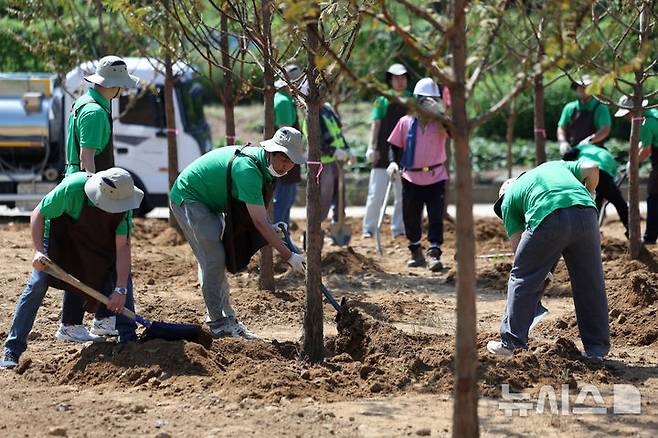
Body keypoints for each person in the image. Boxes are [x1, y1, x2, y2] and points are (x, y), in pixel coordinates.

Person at [169, 127, 307, 339]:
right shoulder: (248, 169)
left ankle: (227, 317)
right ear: (271, 152)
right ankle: (218, 323)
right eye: (285, 160)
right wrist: (289, 256)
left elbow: (259, 216)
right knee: (214, 260)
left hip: (211, 203)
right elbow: (260, 222)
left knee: (215, 259)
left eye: (292, 162)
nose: (287, 167)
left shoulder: (267, 169)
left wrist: (272, 229)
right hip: (190, 198)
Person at [0, 168, 143, 369]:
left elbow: (122, 247)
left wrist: (120, 289)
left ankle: (128, 340)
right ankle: (12, 349)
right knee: (38, 284)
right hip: (59, 240)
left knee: (120, 278)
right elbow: (38, 214)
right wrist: (39, 251)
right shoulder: (72, 189)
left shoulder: (123, 204)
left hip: (96, 243)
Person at [487, 160, 610, 360]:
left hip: (547, 214)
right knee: (590, 282)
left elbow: (522, 258)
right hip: (587, 214)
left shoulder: (508, 200)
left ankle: (512, 343)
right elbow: (593, 167)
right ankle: (596, 349)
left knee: (521, 277)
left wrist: (540, 274)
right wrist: (591, 193)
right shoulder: (555, 166)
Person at [387, 78, 449, 271]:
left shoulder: (441, 123)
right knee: (411, 216)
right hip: (411, 178)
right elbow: (394, 145)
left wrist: (441, 114)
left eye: (432, 100)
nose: (428, 103)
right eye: (424, 99)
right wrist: (393, 162)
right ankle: (415, 250)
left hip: (436, 176)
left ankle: (434, 252)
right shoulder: (405, 122)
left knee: (436, 216)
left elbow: (456, 132)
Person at [65, 55, 139, 176]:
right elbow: (86, 157)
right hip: (86, 188)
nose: (124, 89)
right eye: (122, 85)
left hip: (77, 179)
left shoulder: (83, 101)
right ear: (114, 85)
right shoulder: (95, 112)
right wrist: (93, 191)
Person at [362, 63, 409, 239]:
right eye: (396, 78)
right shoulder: (382, 100)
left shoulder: (411, 100)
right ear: (390, 80)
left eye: (403, 77)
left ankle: (399, 229)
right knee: (375, 194)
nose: (400, 81)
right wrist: (371, 146)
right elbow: (376, 124)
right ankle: (369, 228)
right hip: (382, 153)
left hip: (404, 155)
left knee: (402, 196)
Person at [615, 95, 658, 243]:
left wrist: (632, 163)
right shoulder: (654, 114)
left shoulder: (646, 123)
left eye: (627, 114)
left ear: (632, 111)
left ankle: (650, 238)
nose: (627, 118)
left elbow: (646, 151)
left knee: (654, 197)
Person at [569, 143, 629, 236]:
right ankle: (630, 230)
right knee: (620, 204)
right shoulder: (609, 156)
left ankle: (589, 231)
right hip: (604, 175)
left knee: (589, 204)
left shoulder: (584, 146)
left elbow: (568, 155)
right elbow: (611, 177)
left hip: (584, 173)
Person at [272, 64, 304, 226]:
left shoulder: (283, 98)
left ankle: (283, 236)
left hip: (286, 156)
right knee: (284, 200)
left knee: (285, 199)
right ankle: (281, 238)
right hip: (285, 156)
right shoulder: (284, 102)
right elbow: (285, 135)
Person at [557, 75, 611, 157]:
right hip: (572, 151)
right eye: (579, 86)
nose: (582, 89)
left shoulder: (601, 108)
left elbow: (605, 130)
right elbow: (561, 128)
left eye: (585, 86)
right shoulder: (569, 107)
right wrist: (562, 142)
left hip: (595, 151)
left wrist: (590, 140)